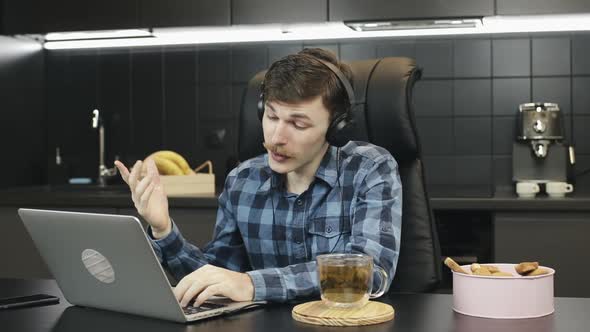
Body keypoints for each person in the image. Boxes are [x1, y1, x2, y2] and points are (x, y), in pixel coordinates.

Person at [114, 48, 402, 307]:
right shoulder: (242, 180)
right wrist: (163, 229)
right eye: (272, 117)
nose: (276, 138)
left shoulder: (370, 169)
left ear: (336, 127)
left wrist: (252, 284)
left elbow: (371, 274)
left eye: (298, 124)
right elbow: (215, 277)